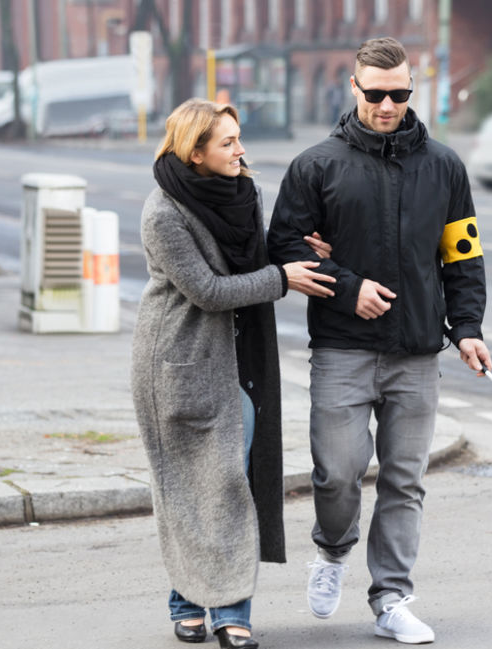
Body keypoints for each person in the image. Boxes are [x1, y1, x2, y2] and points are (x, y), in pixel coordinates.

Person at [267, 37, 492, 645]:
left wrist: (467, 329)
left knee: (404, 479)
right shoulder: (317, 165)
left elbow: (463, 257)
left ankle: (392, 597)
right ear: (355, 89)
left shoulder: (444, 167)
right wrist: (347, 289)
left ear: (411, 91)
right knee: (337, 474)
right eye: (376, 94)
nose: (388, 105)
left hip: (418, 351)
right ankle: (333, 548)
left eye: (399, 94)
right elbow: (283, 248)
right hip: (342, 347)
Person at [131, 99, 335, 648]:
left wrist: (299, 254)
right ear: (194, 152)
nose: (241, 151)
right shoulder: (163, 213)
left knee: (232, 484)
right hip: (182, 364)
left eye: (239, 139)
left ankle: (225, 609)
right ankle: (198, 604)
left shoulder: (246, 193)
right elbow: (210, 290)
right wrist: (281, 278)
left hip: (244, 360)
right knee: (192, 487)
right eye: (228, 143)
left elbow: (253, 260)